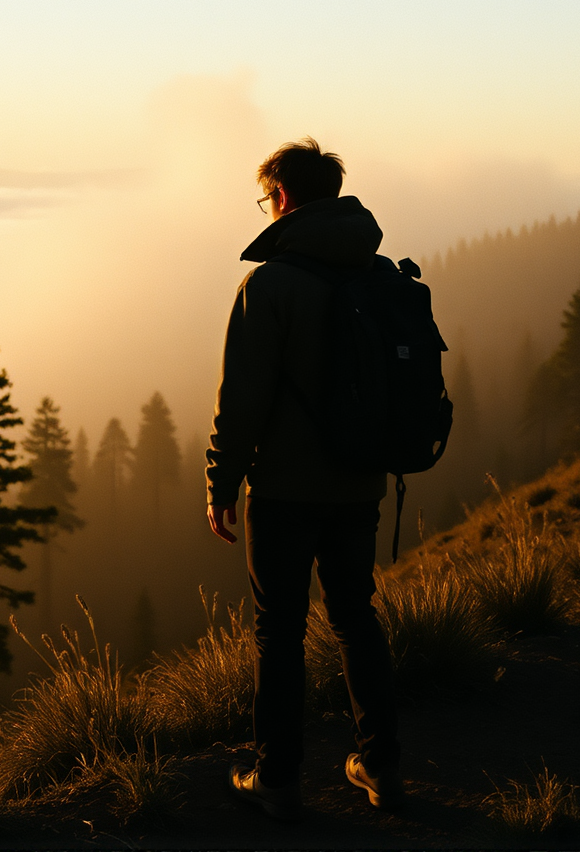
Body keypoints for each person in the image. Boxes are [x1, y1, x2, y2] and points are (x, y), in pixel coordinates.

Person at [206, 137, 401, 819]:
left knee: (279, 631)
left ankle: (279, 780)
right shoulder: (378, 275)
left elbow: (243, 398)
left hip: (285, 490)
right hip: (359, 482)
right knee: (355, 617)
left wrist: (220, 484)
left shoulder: (270, 283)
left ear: (282, 198)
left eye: (267, 198)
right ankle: (382, 768)